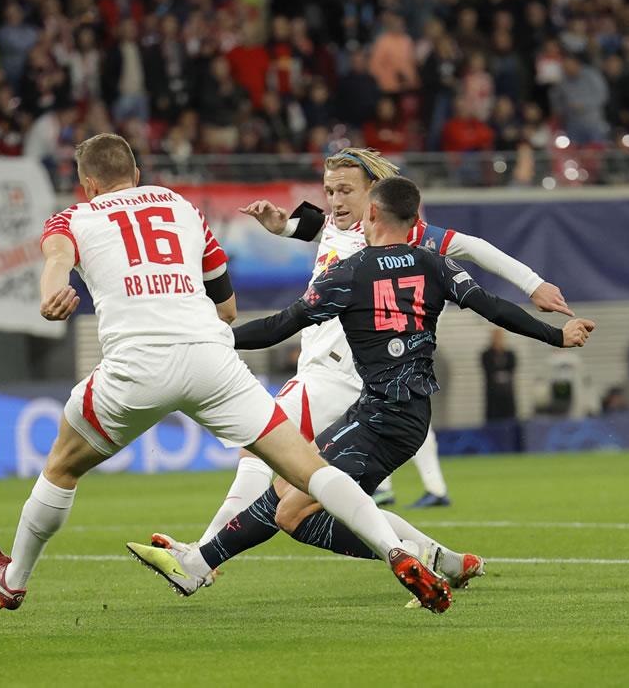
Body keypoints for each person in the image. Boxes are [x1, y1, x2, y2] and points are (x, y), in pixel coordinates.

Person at [0, 134, 451, 614]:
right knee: (309, 469)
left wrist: (52, 294)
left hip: (135, 366)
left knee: (61, 467)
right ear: (137, 175)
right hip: (212, 358)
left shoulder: (74, 217)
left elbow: (57, 260)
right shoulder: (180, 206)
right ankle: (397, 552)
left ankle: (13, 578)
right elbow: (225, 305)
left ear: (87, 186)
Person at [134, 177, 594, 598]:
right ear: (417, 221)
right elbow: (494, 307)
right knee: (293, 509)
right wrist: (557, 335)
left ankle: (204, 563)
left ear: (372, 214)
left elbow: (279, 326)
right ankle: (430, 557)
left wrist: (214, 338)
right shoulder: (435, 264)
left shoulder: (351, 272)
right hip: (409, 416)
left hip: (377, 416)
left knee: (289, 496)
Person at [187, 147, 571, 524]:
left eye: (345, 191)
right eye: (330, 190)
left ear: (373, 192)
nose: (335, 200)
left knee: (259, 450)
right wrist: (283, 226)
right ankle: (427, 553)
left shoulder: (396, 234)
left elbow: (473, 246)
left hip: (333, 375)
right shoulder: (338, 227)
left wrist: (533, 284)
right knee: (324, 496)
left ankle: (201, 554)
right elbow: (319, 227)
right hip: (359, 380)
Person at [481, 328, 517, 422]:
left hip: (507, 395)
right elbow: (489, 370)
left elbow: (511, 370)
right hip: (493, 396)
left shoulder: (509, 355)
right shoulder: (487, 354)